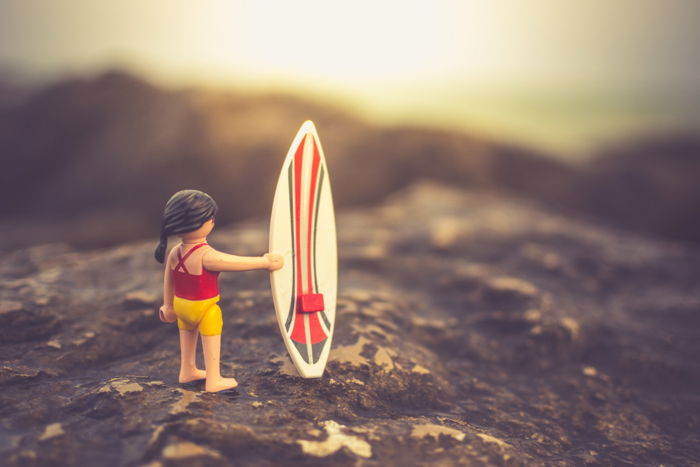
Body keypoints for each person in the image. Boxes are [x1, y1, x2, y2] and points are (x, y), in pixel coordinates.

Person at [155, 189, 283, 392]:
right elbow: (233, 262)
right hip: (204, 307)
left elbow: (168, 281)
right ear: (202, 222)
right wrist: (264, 262)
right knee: (211, 336)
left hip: (181, 306)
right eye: (210, 217)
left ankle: (187, 370)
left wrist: (168, 305)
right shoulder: (205, 255)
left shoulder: (174, 252)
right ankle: (213, 379)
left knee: (187, 338)